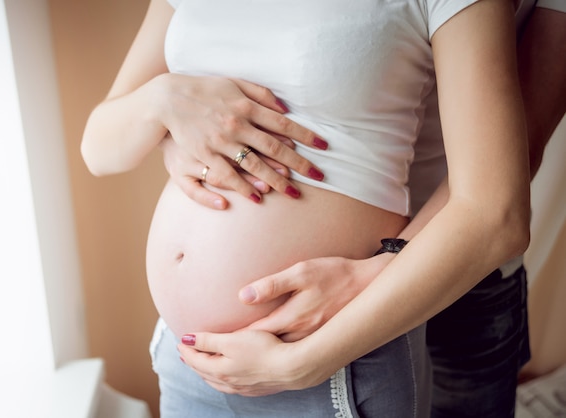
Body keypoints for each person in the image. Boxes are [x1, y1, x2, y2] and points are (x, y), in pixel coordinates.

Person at [81, 0, 530, 416]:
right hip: (188, 361)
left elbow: (496, 215)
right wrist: (164, 101)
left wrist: (301, 363)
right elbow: (99, 149)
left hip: (334, 355)